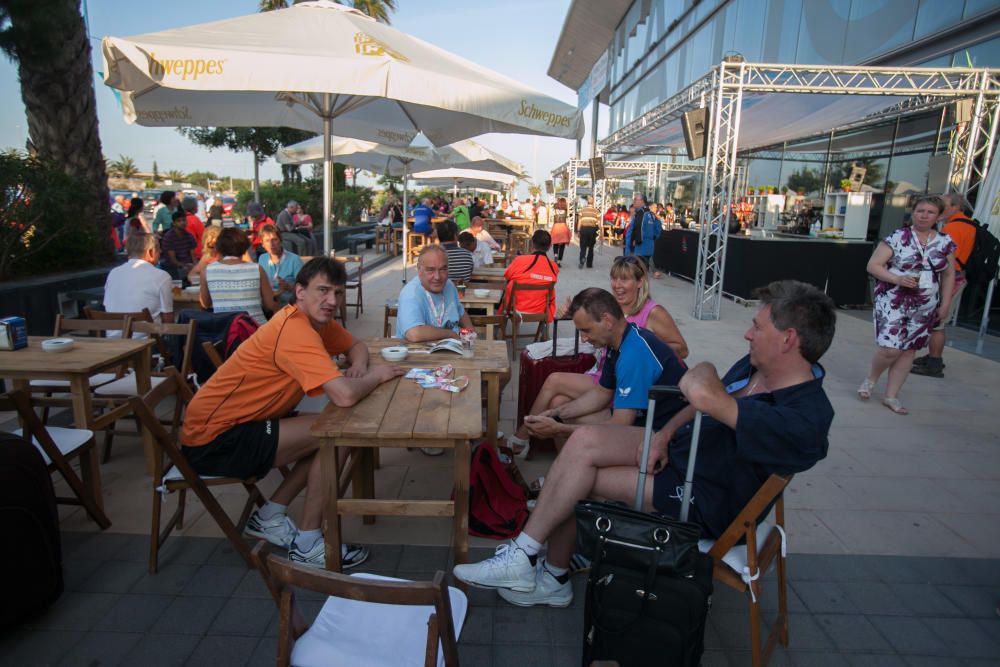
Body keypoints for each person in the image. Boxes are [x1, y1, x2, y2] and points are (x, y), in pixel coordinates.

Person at [454, 280, 836, 606]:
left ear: (788, 339)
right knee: (583, 442)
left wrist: (703, 393)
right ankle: (530, 558)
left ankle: (548, 575)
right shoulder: (758, 367)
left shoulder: (804, 417)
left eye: (757, 326)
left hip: (700, 494)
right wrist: (667, 432)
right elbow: (702, 383)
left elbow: (708, 396)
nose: (747, 334)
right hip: (677, 448)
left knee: (576, 477)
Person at [182, 257, 406, 568]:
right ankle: (307, 542)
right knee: (337, 434)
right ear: (299, 291)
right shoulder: (294, 330)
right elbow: (342, 395)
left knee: (332, 429)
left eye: (338, 293)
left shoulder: (314, 323)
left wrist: (357, 367)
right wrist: (375, 376)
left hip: (245, 422)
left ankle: (271, 515)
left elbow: (357, 345)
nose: (331, 301)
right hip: (215, 439)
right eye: (323, 290)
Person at [504, 259, 689, 456]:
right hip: (611, 382)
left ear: (640, 282)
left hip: (650, 422)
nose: (617, 285)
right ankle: (560, 460)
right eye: (614, 278)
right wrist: (553, 416)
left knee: (558, 388)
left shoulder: (638, 340)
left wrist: (646, 351)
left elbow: (621, 425)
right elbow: (602, 392)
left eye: (624, 279)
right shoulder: (615, 331)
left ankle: (524, 440)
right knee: (558, 404)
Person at [859, 196, 955, 415]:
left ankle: (891, 396)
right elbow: (873, 265)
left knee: (908, 351)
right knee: (891, 348)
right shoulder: (897, 237)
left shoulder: (944, 242)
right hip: (893, 298)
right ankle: (871, 379)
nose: (924, 215)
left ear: (938, 216)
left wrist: (945, 303)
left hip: (925, 303)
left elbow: (949, 275)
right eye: (920, 211)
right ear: (913, 213)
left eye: (930, 212)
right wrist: (897, 279)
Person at [912, 192, 977, 379]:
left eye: (943, 205)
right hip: (957, 275)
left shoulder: (954, 229)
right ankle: (933, 357)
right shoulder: (967, 225)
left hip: (950, 278)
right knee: (938, 322)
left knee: (938, 323)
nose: (939, 209)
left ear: (955, 207)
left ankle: (934, 362)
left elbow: (941, 261)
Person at [200, 228, 279, 326]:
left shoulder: (207, 271)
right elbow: (270, 306)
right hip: (255, 331)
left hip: (224, 332)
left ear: (219, 247)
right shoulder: (257, 269)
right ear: (244, 247)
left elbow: (205, 304)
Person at [396, 244, 473, 342]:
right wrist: (450, 334)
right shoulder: (411, 293)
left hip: (452, 350)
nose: (437, 277)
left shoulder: (449, 285)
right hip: (418, 354)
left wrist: (472, 336)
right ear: (419, 269)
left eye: (442, 269)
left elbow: (461, 313)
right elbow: (414, 334)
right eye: (430, 270)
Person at [103, 232, 174, 324]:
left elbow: (106, 306)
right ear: (150, 252)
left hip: (114, 336)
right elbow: (168, 318)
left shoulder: (113, 273)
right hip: (148, 337)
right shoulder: (161, 276)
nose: (160, 252)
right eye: (159, 249)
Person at [503, 229, 559, 320]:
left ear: (532, 244)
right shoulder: (553, 267)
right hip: (541, 310)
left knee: (509, 284)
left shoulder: (520, 260)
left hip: (517, 308)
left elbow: (507, 276)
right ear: (549, 247)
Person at [258, 224, 304, 306]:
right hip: (269, 306)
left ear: (280, 240)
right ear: (262, 243)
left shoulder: (294, 260)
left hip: (289, 307)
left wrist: (289, 287)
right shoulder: (262, 259)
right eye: (267, 241)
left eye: (274, 239)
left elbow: (306, 290)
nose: (271, 244)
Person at [625, 193, 661, 271]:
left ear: (642, 201)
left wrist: (634, 242)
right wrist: (653, 238)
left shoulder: (641, 213)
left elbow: (635, 229)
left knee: (636, 274)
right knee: (643, 274)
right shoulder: (651, 214)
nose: (634, 201)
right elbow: (658, 228)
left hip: (638, 249)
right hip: (648, 248)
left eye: (635, 199)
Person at [159, 210, 198, 280]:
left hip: (187, 265)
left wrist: (195, 266)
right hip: (172, 267)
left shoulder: (189, 236)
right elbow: (173, 260)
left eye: (184, 220)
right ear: (174, 223)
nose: (182, 223)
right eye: (179, 221)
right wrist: (185, 266)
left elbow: (193, 256)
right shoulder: (169, 237)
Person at [576, 196, 601, 269]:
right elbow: (599, 223)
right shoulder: (596, 211)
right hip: (592, 230)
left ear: (587, 202)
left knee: (583, 247)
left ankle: (582, 259)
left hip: (584, 229)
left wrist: (578, 230)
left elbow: (580, 221)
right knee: (591, 247)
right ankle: (589, 264)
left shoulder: (582, 210)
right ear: (593, 202)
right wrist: (601, 232)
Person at [549, 197, 571, 266]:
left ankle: (555, 255)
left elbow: (551, 219)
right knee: (562, 245)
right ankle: (559, 261)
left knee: (555, 243)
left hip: (556, 226)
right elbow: (567, 221)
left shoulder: (554, 210)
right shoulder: (566, 211)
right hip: (563, 227)